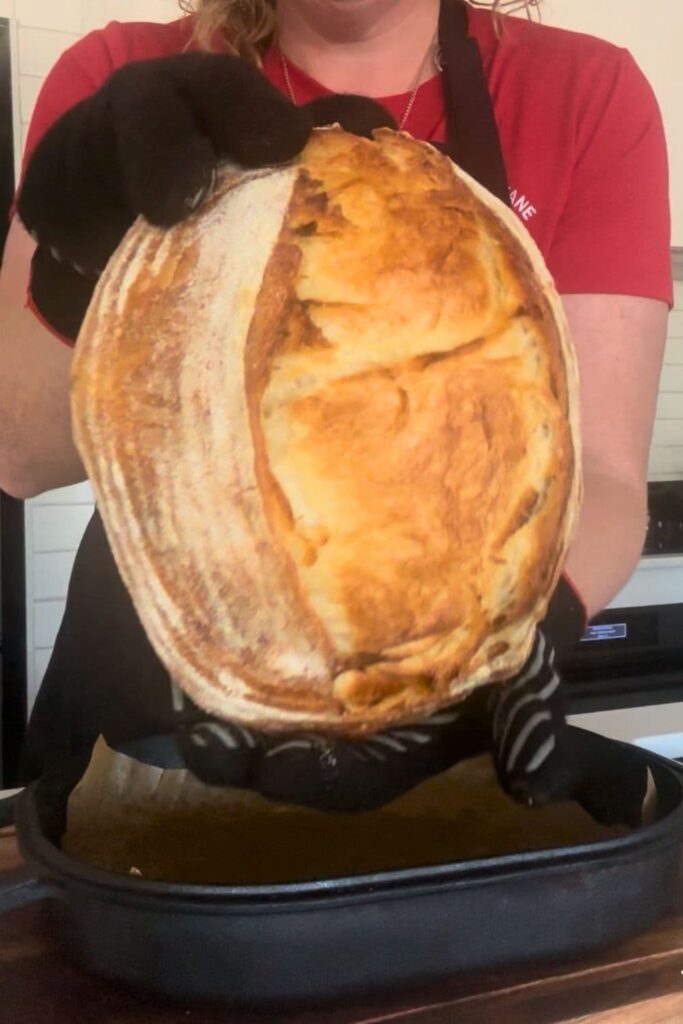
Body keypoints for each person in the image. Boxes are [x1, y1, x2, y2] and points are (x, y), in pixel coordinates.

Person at [0, 0, 671, 827]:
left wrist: (490, 649)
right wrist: (76, 267)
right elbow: (20, 451)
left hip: (460, 711)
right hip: (148, 716)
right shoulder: (128, 76)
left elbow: (600, 474)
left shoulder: (578, 92)